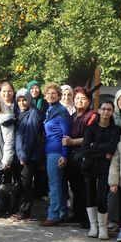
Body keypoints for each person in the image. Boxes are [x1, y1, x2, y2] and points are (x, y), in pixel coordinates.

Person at [81, 100, 120, 239]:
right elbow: (85, 149)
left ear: (112, 112)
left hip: (106, 169)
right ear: (98, 110)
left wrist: (95, 146)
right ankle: (93, 226)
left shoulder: (115, 130)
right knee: (90, 195)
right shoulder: (91, 128)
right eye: (103, 109)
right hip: (90, 166)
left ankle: (103, 227)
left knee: (101, 197)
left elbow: (112, 148)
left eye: (109, 109)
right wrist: (104, 153)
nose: (106, 112)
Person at [62, 87, 97, 226]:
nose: (79, 101)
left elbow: (91, 137)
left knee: (85, 188)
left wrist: (71, 141)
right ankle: (77, 213)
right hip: (73, 156)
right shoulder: (73, 116)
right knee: (75, 187)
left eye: (83, 98)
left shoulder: (92, 116)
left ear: (89, 101)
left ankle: (88, 219)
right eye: (77, 98)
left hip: (85, 155)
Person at [40, 83, 71, 226]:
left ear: (59, 96)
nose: (50, 95)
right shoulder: (50, 110)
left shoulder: (61, 111)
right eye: (48, 93)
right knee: (59, 184)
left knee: (54, 185)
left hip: (57, 151)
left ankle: (53, 215)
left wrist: (64, 155)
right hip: (50, 150)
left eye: (54, 93)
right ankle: (62, 212)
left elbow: (66, 135)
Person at [12, 89, 42, 220]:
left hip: (29, 155)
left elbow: (31, 135)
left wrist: (24, 155)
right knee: (22, 182)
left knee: (26, 183)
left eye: (24, 100)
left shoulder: (33, 113)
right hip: (21, 154)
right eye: (19, 100)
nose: (22, 103)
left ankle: (25, 211)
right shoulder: (20, 113)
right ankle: (21, 209)